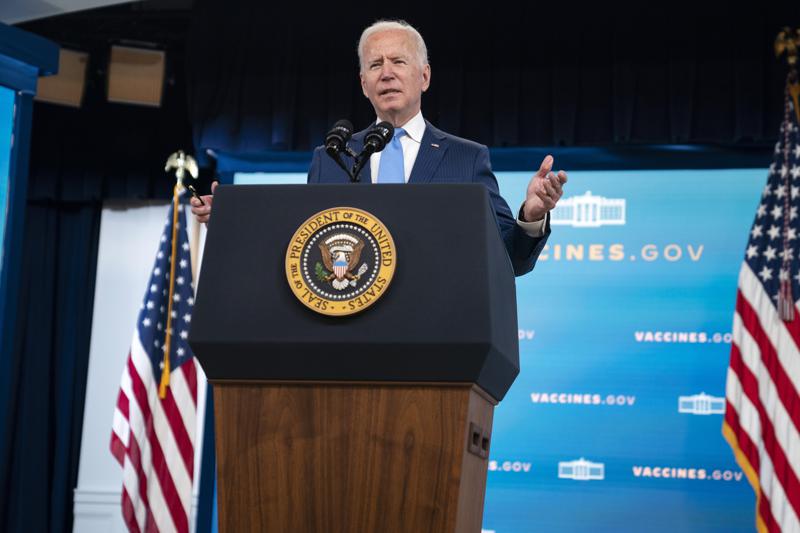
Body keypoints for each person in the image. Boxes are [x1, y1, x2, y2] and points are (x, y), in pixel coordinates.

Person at [192, 19, 567, 276]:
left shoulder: (466, 158)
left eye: (398, 61)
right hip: (344, 338)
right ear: (363, 83)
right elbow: (299, 246)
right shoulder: (331, 158)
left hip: (434, 338)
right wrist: (235, 221)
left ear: (424, 76)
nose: (386, 72)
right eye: (375, 64)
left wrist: (532, 214)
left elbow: (510, 259)